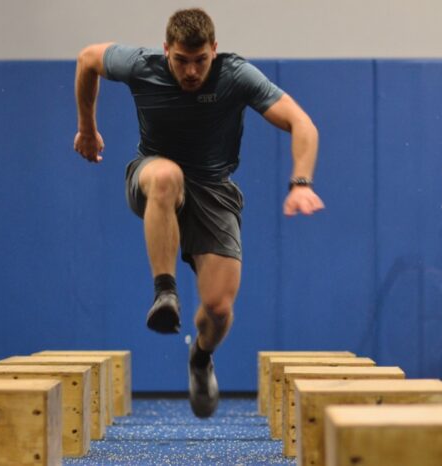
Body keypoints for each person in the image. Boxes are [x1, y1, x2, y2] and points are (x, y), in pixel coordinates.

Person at [73, 8, 323, 418]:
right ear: (166, 49)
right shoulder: (140, 64)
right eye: (181, 61)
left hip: (214, 189)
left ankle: (201, 358)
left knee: (219, 309)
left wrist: (301, 183)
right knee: (168, 175)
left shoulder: (237, 75)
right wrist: (86, 127)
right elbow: (87, 59)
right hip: (153, 175)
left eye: (200, 61)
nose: (191, 72)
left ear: (214, 51)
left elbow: (302, 123)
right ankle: (164, 290)